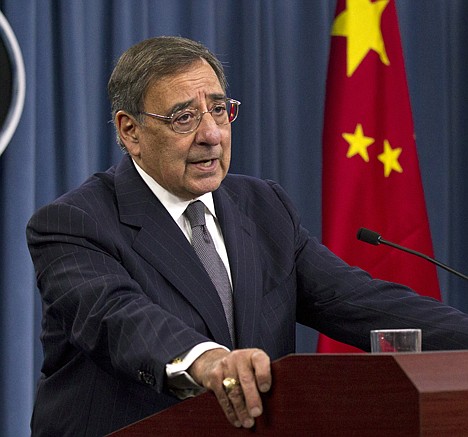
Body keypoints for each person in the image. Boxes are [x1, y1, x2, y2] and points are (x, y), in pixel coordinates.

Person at [26, 36, 468, 436]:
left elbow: (361, 302)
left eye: (218, 109)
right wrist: (208, 361)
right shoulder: (73, 223)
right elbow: (119, 318)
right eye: (184, 118)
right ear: (130, 131)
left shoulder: (263, 207)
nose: (212, 135)